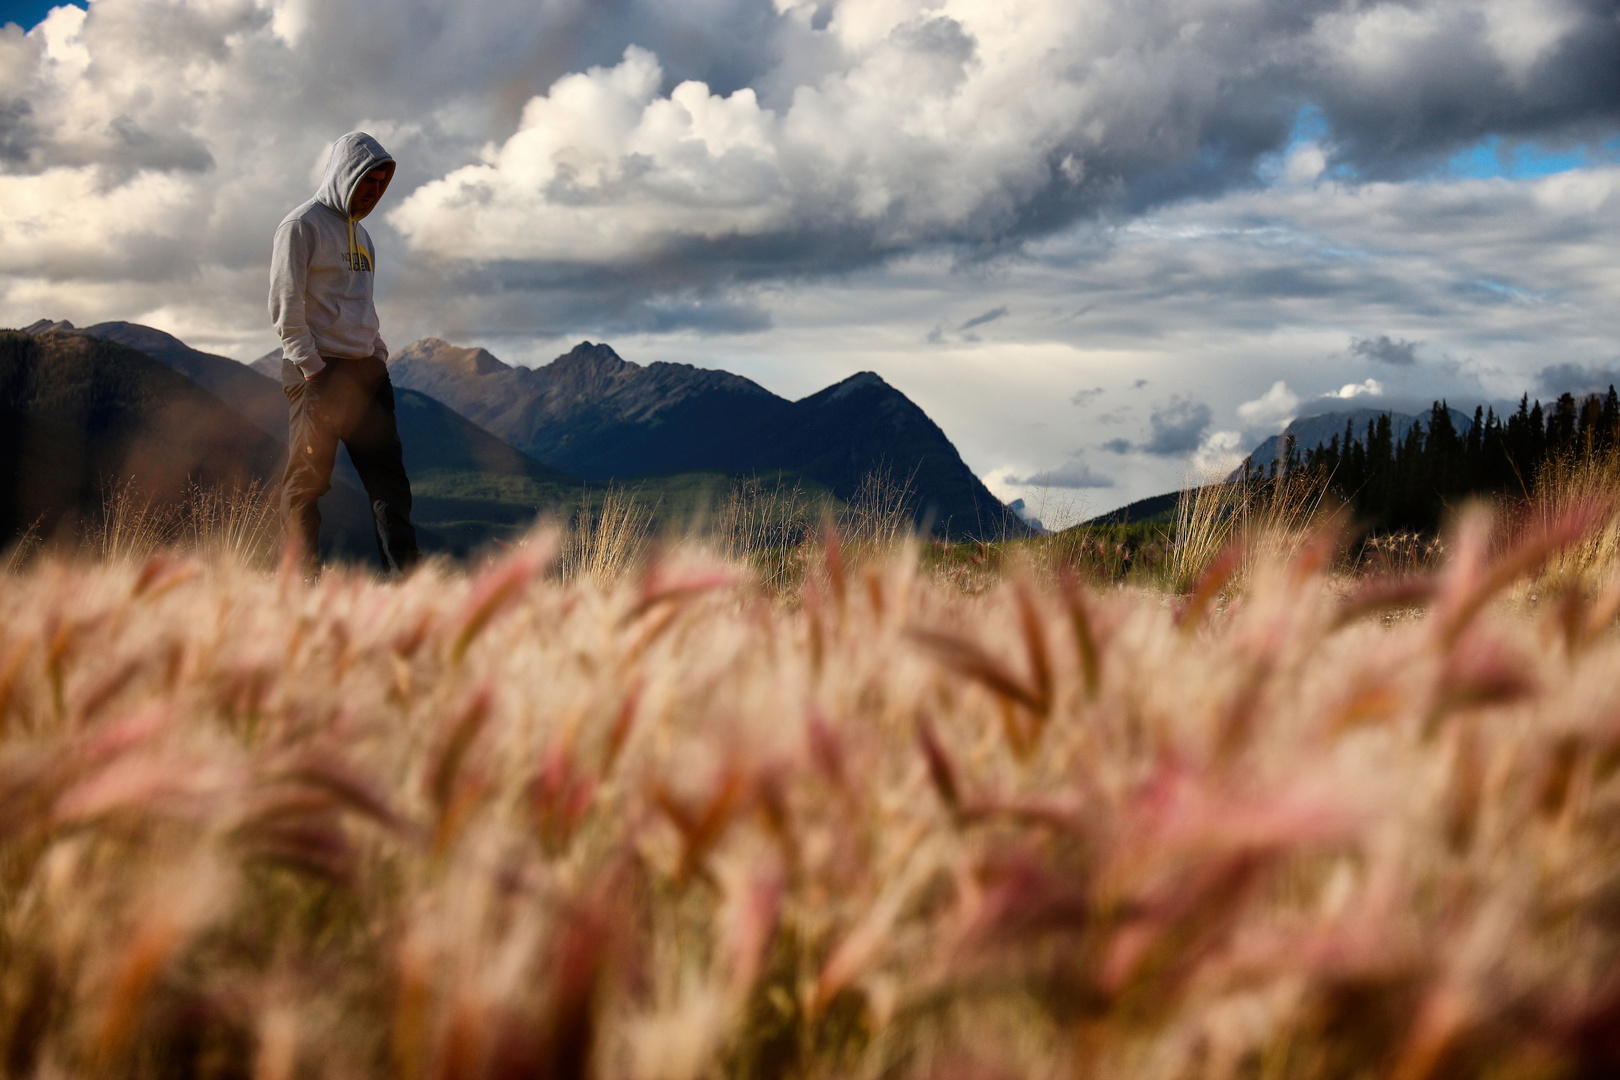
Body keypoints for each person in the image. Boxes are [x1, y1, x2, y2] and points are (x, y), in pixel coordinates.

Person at [269, 131, 419, 577]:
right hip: (317, 373)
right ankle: (301, 584)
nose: (373, 193)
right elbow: (285, 306)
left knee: (390, 487)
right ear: (344, 176)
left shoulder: (365, 239)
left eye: (380, 184)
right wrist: (314, 369)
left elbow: (362, 304)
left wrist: (377, 354)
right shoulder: (301, 226)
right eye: (366, 182)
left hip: (366, 375)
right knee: (307, 484)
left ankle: (408, 587)